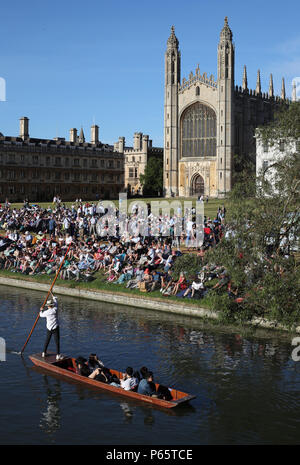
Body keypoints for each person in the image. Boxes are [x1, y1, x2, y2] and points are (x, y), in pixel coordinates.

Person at [40, 291, 63, 360]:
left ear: (48, 306)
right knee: (57, 342)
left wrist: (41, 310)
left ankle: (44, 352)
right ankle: (58, 355)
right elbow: (56, 301)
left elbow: (41, 315)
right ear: (52, 305)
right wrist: (52, 294)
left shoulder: (46, 312)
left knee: (47, 340)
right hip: (55, 328)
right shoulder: (55, 309)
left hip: (49, 328)